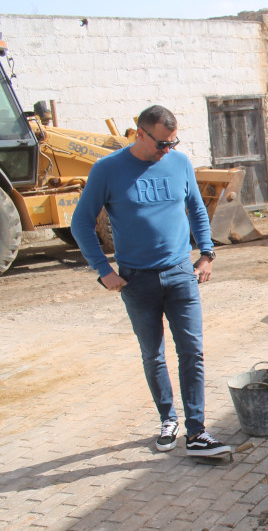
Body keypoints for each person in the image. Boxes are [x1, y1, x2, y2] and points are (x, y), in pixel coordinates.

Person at [71, 105, 230, 458]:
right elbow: (80, 223)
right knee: (153, 354)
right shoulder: (107, 170)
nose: (167, 151)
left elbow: (197, 208)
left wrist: (206, 253)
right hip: (135, 281)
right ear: (140, 134)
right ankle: (167, 419)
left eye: (173, 142)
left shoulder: (179, 163)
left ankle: (197, 432)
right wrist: (103, 271)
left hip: (179, 274)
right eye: (161, 143)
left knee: (192, 352)